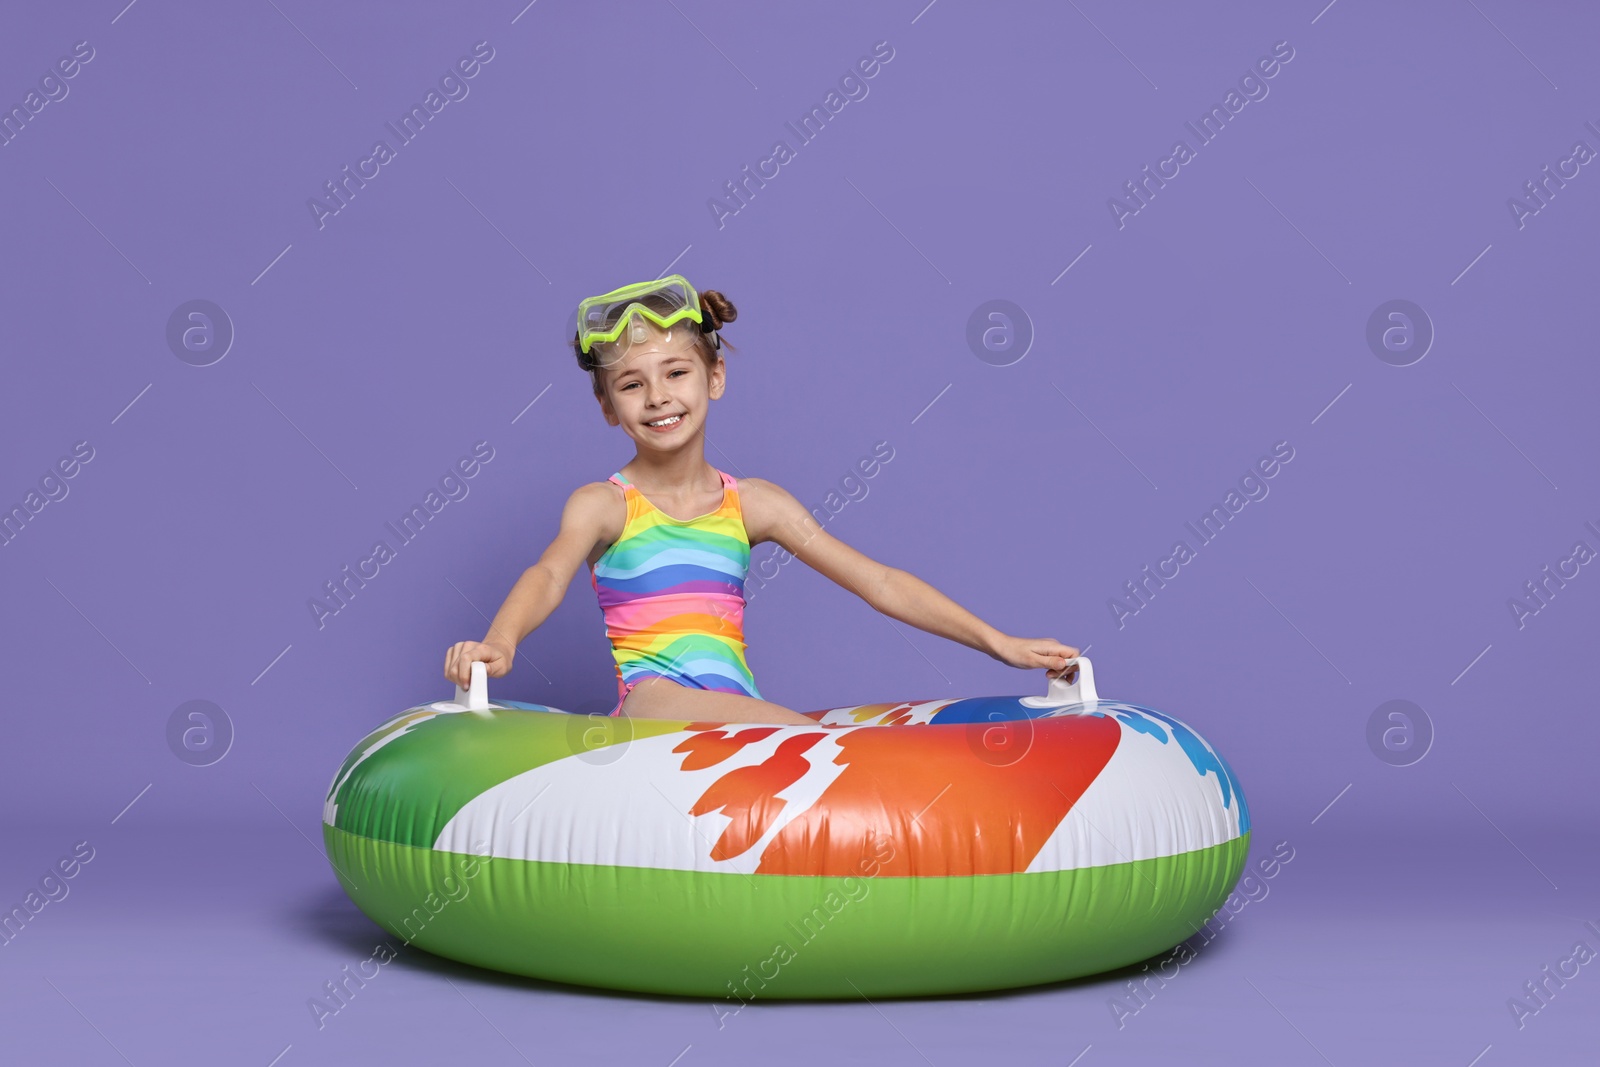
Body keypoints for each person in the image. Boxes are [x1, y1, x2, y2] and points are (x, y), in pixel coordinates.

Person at [443, 274, 1078, 725]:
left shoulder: (752, 504)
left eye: (677, 373)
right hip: (652, 701)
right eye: (632, 385)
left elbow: (879, 581)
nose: (658, 397)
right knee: (808, 743)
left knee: (799, 744)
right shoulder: (604, 506)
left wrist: (1001, 644)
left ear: (714, 378)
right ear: (609, 407)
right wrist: (500, 643)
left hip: (737, 706)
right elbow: (548, 573)